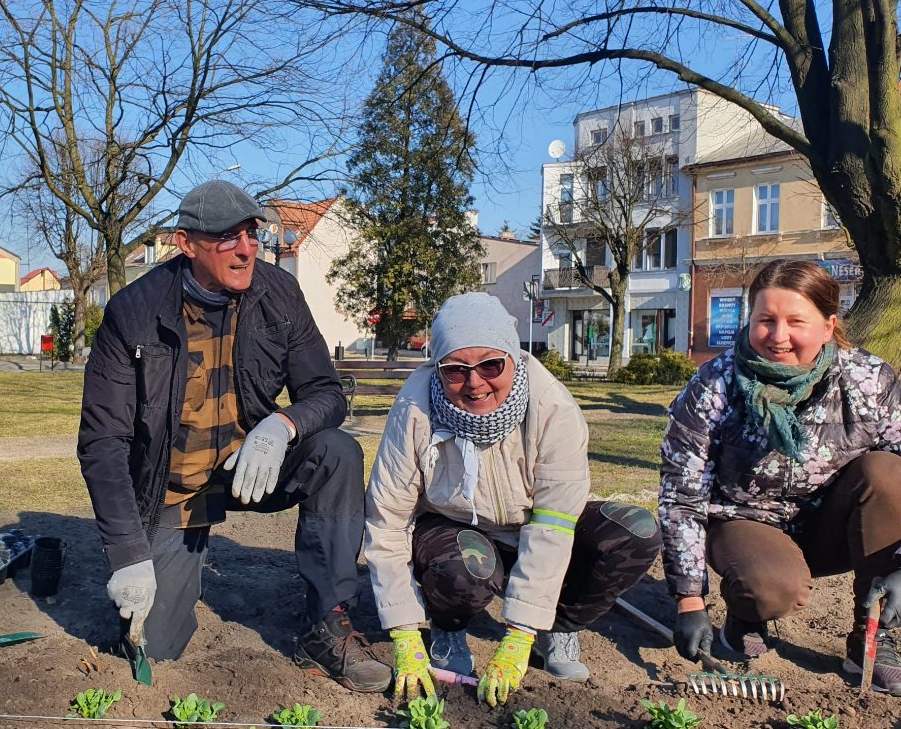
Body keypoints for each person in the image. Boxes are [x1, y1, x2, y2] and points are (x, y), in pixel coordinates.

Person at [78, 180, 391, 692]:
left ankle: (328, 625)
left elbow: (326, 394)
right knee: (153, 646)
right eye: (227, 237)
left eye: (251, 232)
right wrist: (128, 555)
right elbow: (103, 443)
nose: (247, 248)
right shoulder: (133, 314)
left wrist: (282, 425)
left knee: (337, 452)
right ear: (185, 243)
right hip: (173, 489)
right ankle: (166, 567)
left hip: (252, 466)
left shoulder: (279, 292)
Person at [366, 292, 660, 707]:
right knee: (462, 567)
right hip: (456, 531)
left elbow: (553, 523)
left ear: (514, 358)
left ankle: (553, 628)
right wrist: (403, 631)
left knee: (635, 532)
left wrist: (520, 634)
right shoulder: (415, 409)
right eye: (455, 370)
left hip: (530, 528)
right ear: (438, 369)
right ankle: (449, 628)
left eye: (490, 365)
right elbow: (386, 521)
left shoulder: (552, 407)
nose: (474, 382)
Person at [661, 259, 901, 694]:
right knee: (771, 586)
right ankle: (747, 613)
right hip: (746, 523)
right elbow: (681, 493)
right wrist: (690, 600)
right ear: (749, 320)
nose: (778, 336)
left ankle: (872, 640)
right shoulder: (715, 385)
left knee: (888, 472)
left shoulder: (869, 381)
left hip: (837, 527)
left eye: (796, 322)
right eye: (765, 320)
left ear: (829, 326)